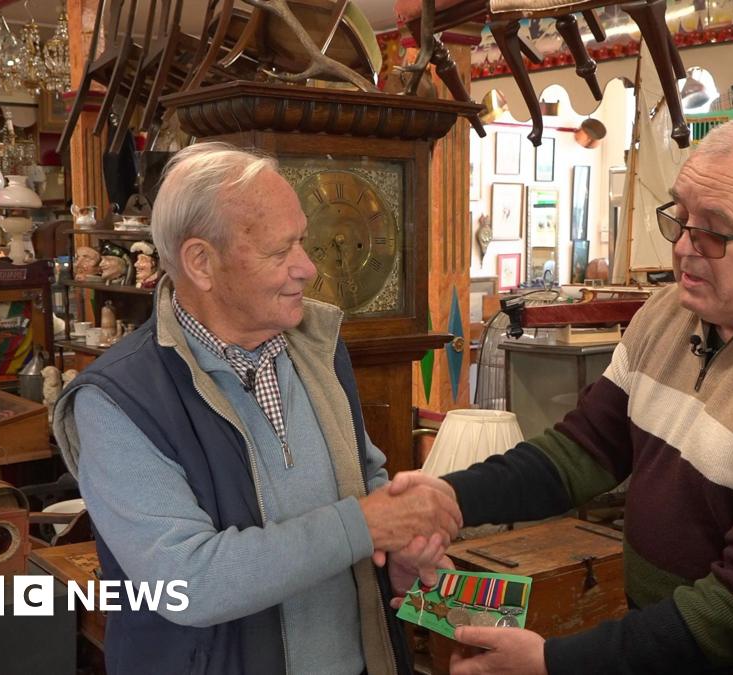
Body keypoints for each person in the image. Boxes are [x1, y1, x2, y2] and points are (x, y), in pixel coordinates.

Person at [391, 117, 733, 674]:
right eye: (681, 215)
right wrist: (446, 500)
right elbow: (584, 450)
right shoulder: (676, 310)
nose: (686, 247)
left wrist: (555, 664)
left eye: (715, 230)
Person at [53, 143, 458, 675]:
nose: (307, 268)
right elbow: (187, 584)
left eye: (303, 243)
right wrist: (365, 525)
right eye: (279, 251)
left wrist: (400, 544)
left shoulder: (314, 344)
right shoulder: (117, 400)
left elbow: (361, 476)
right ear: (201, 262)